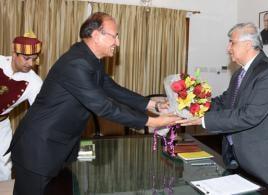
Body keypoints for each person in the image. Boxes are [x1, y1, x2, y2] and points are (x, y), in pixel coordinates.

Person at [6, 12, 180, 195]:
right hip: (38, 148)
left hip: (58, 144)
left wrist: (153, 105)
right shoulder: (76, 63)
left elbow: (111, 88)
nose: (118, 43)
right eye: (115, 36)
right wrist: (153, 122)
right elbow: (103, 106)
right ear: (97, 35)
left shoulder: (88, 58)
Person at [178, 23, 268, 195]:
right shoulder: (239, 74)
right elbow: (225, 101)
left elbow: (249, 115)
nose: (228, 48)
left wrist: (202, 120)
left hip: (267, 165)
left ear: (248, 44)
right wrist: (191, 106)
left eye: (231, 42)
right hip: (240, 160)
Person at [0, 31, 43, 181]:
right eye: (26, 58)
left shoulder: (34, 82)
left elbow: (40, 113)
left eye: (34, 59)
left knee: (4, 169)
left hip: (1, 125)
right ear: (14, 53)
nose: (30, 64)